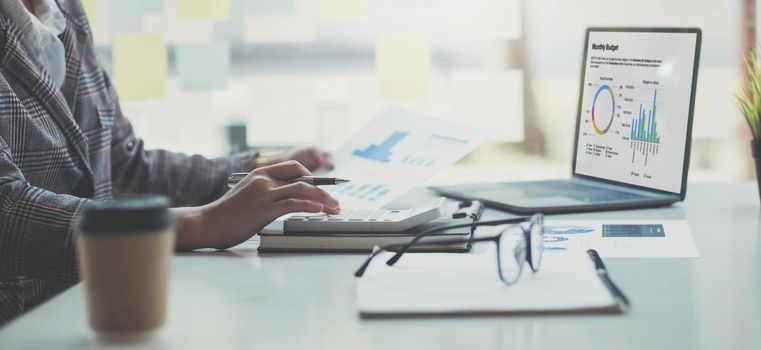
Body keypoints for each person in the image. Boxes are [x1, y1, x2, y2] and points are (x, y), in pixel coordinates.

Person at [0, 0, 341, 324]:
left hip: (92, 313)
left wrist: (259, 168)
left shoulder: (62, 9)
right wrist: (196, 223)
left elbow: (121, 164)